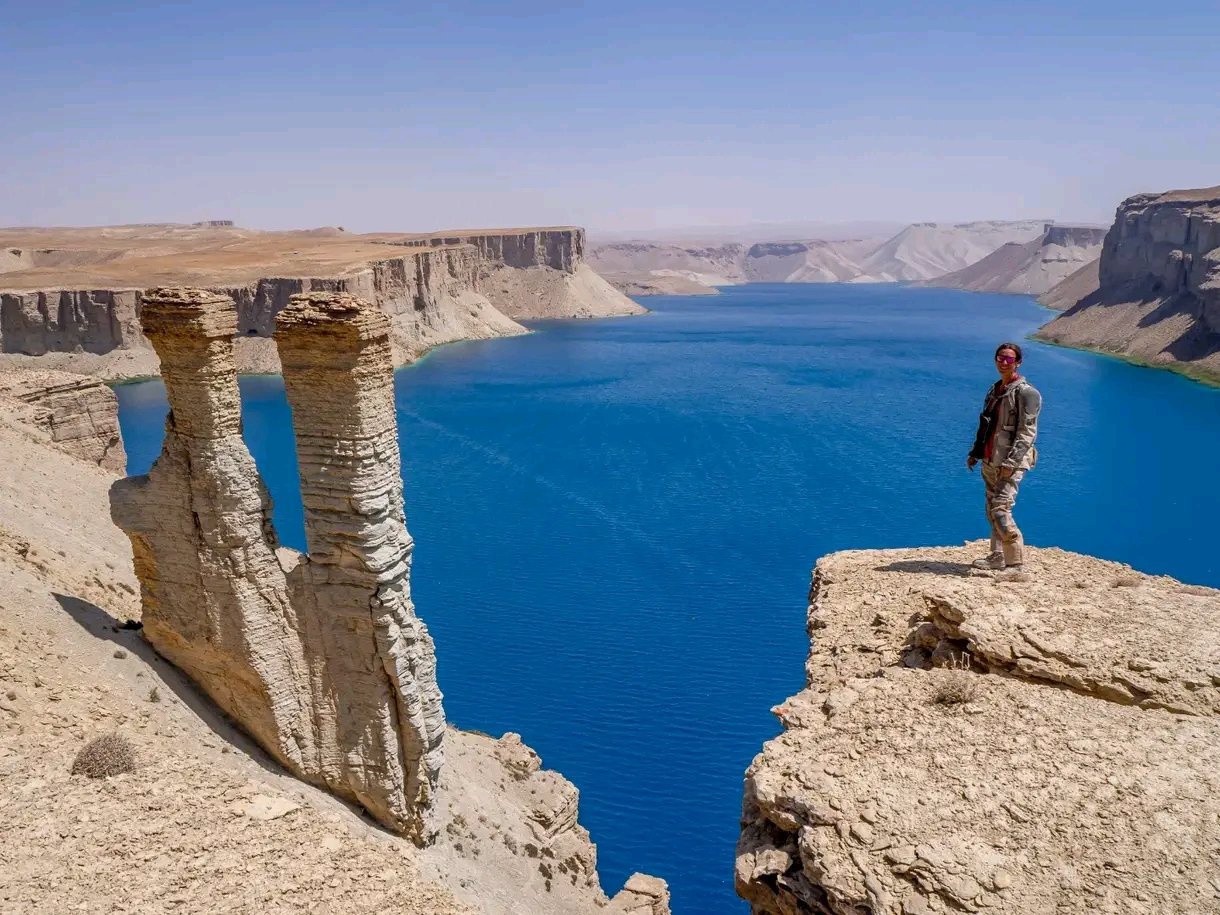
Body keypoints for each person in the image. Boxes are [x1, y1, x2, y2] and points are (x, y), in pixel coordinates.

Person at [966, 342, 1041, 572]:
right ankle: (997, 556)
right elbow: (987, 425)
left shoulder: (1027, 393)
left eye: (1008, 359)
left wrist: (1011, 462)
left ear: (1018, 362)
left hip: (1010, 463)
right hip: (991, 459)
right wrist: (976, 452)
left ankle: (1016, 565)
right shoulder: (995, 389)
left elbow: (1027, 432)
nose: (1003, 362)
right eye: (1000, 357)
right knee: (991, 510)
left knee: (1001, 510)